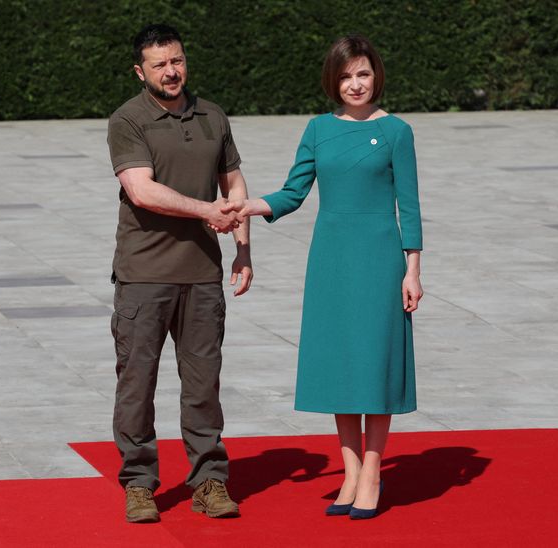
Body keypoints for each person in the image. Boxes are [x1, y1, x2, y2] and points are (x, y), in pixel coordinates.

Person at [222, 35, 422, 520]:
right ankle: (350, 473)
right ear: (333, 81)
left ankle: (373, 473)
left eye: (363, 74)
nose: (355, 84)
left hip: (379, 258)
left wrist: (413, 270)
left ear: (376, 75)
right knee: (339, 363)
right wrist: (249, 205)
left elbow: (410, 206)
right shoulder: (317, 129)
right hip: (330, 259)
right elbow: (294, 192)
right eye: (346, 76)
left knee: (375, 362)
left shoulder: (397, 131)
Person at [106, 23, 252, 523]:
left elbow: (233, 182)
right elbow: (142, 191)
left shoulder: (213, 115)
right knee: (137, 384)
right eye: (160, 65)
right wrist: (205, 212)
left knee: (203, 384)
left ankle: (210, 480)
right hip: (144, 276)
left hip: (202, 277)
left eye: (177, 61)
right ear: (140, 71)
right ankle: (140, 483)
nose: (171, 72)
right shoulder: (128, 119)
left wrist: (242, 248)